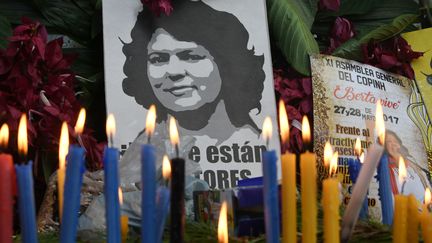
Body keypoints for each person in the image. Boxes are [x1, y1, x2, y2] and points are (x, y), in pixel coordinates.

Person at [122, 0, 265, 144]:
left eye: (192, 57)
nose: (173, 71)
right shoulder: (136, 154)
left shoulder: (262, 142)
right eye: (158, 59)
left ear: (226, 64)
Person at [384, 130, 431, 202]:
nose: (393, 144)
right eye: (389, 141)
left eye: (395, 141)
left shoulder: (412, 163)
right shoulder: (384, 169)